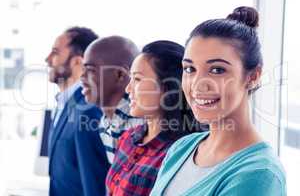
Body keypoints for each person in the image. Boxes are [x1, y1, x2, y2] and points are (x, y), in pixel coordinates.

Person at [150, 6, 286, 196]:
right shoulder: (181, 149)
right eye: (189, 69)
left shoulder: (258, 174)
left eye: (217, 70)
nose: (198, 85)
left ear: (253, 76)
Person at [106, 40, 204, 196]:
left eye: (137, 79)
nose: (128, 88)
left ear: (167, 88)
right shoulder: (127, 138)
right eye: (130, 79)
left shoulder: (183, 153)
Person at [46, 27, 109, 196]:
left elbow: (93, 182)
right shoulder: (64, 103)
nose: (48, 59)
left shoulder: (88, 109)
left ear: (78, 62)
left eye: (55, 53)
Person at [81, 36, 144, 165]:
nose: (82, 76)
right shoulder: (105, 122)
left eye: (90, 70)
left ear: (120, 75)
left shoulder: (141, 124)